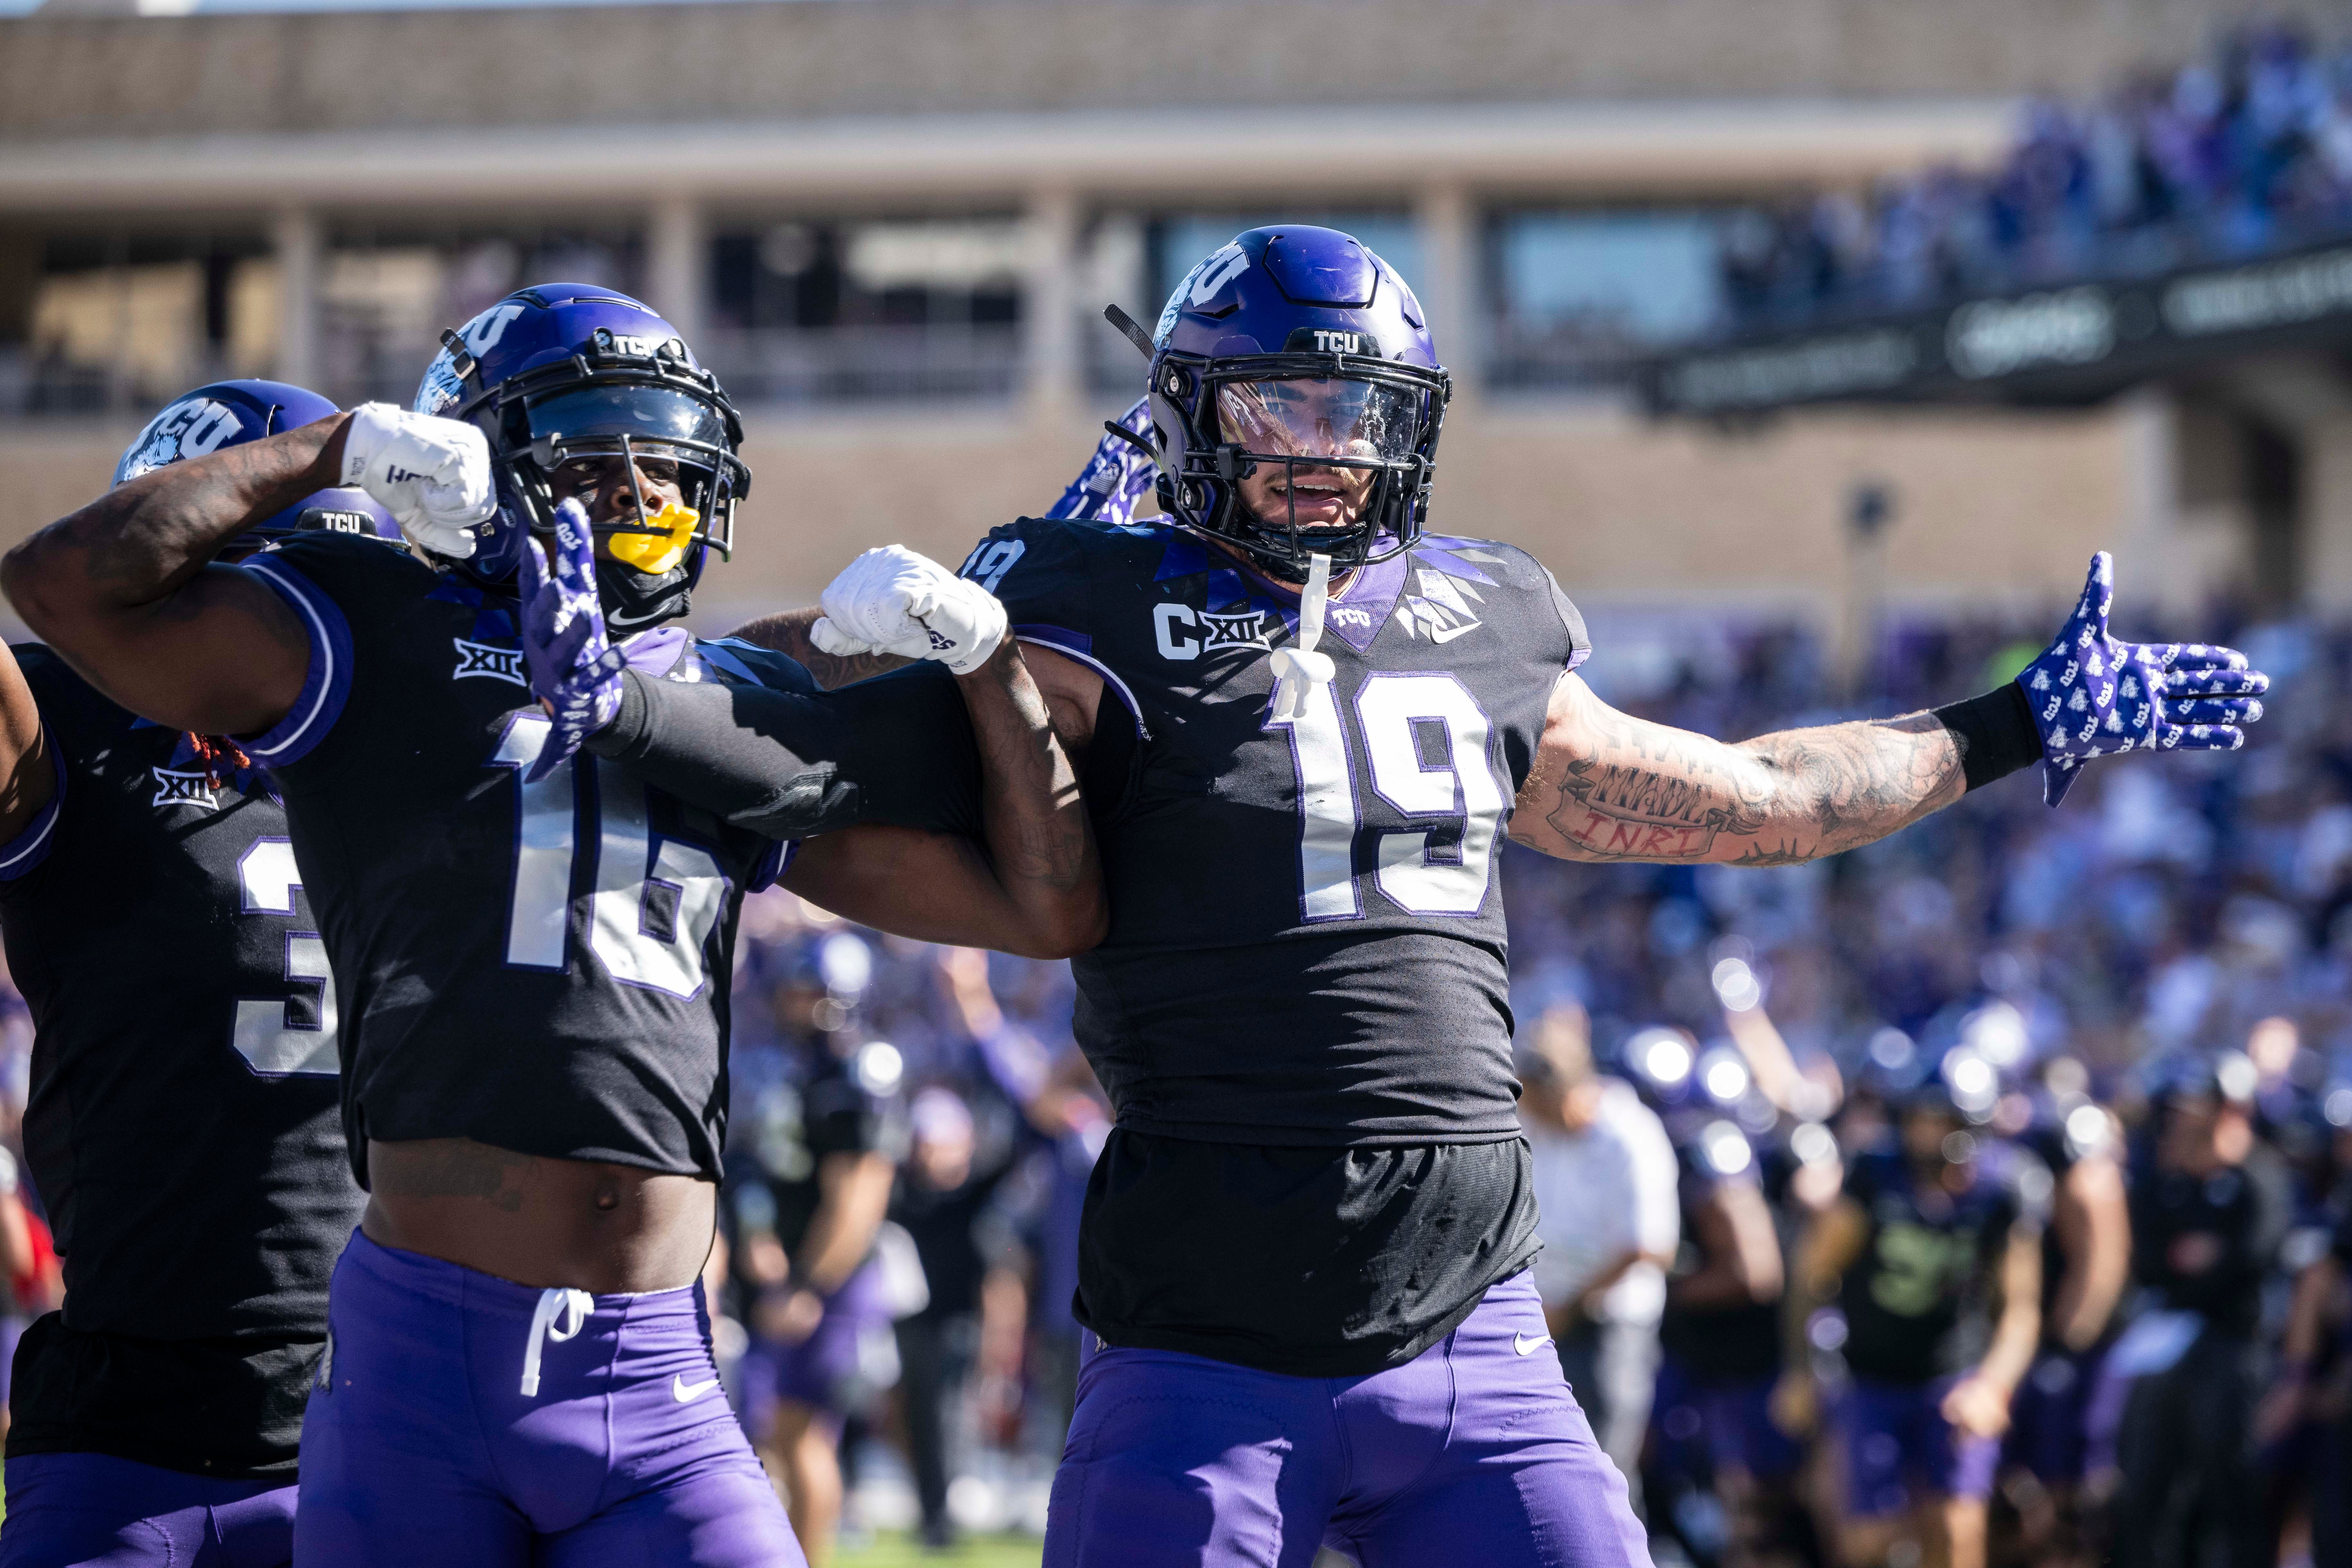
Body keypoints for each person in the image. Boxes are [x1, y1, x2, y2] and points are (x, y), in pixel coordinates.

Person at [713, 223, 2268, 1566]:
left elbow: (1762, 800)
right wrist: (871, 630)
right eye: (1281, 400)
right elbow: (762, 701)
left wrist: (2005, 723)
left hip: (1473, 1333)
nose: (1326, 445)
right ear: (1188, 410)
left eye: (1360, 408)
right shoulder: (1085, 595)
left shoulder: (1481, 609)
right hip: (1202, 1342)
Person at [0, 284, 1103, 1567]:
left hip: (646, 1372)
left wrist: (981, 657)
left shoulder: (722, 699)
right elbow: (70, 587)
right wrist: (333, 448)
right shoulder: (362, 654)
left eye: (661, 453)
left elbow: (1045, 905)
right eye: (596, 453)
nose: (641, 489)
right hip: (372, 1358)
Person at [0, 381, 390, 1568]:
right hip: (127, 1419)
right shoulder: (70, 720)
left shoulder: (397, 738)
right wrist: (323, 454)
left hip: (377, 1421)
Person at [1779, 1080, 2046, 1568]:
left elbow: (2019, 1308)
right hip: (1870, 1376)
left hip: (1952, 1376)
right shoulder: (1873, 1179)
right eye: (1919, 1121)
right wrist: (1801, 1370)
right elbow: (1812, 1278)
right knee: (1868, 1540)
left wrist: (1994, 1385)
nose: (1927, 1136)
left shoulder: (2000, 1192)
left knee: (1957, 1530)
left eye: (1940, 1123)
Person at [2109, 1053, 2292, 1568]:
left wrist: (2204, 1264)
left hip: (2233, 1344)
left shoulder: (2258, 1173)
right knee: (2148, 1483)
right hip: (2167, 1342)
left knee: (2227, 1485)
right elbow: (2148, 1256)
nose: (2188, 1116)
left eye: (2201, 1105)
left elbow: (2254, 1255)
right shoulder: (2164, 1176)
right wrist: (2194, 1261)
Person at [1519, 1005, 1680, 1499]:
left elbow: (1651, 1248)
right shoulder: (1533, 1128)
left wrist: (1569, 1305)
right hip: (1543, 1318)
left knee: (1603, 1470)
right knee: (1541, 1470)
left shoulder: (1629, 1133)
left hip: (1609, 1324)